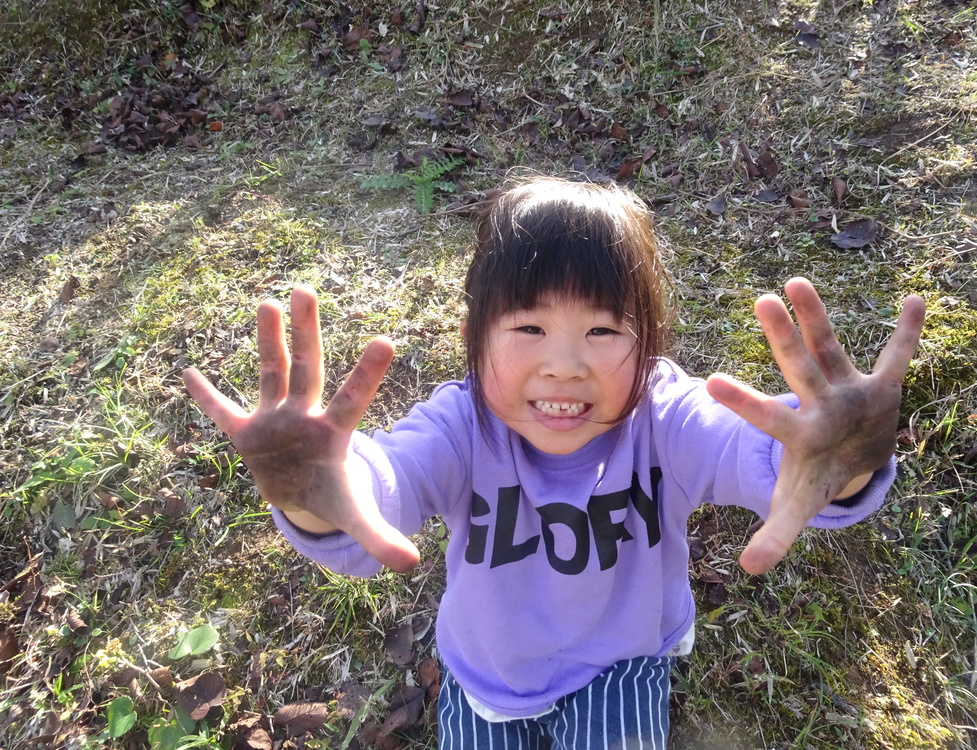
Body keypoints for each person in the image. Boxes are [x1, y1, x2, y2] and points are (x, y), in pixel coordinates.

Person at [183, 177, 925, 748]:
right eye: (530, 326)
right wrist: (319, 489)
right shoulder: (461, 423)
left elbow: (758, 451)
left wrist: (842, 460)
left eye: (603, 331)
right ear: (476, 337)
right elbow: (387, 482)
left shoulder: (663, 413)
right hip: (487, 673)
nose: (565, 366)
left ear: (651, 342)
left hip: (624, 658)